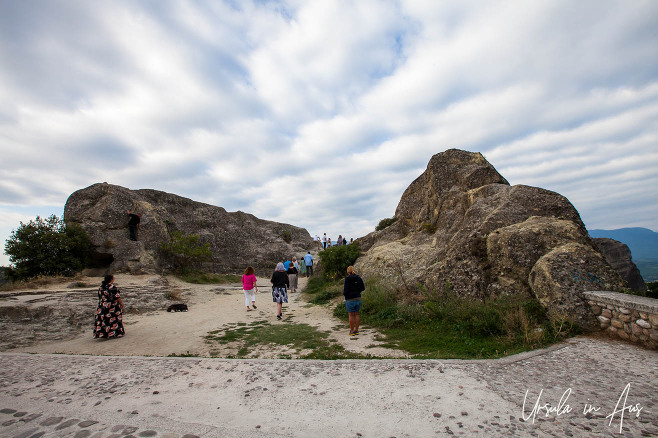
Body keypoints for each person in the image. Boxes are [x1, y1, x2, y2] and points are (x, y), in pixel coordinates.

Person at [94, 274, 125, 339]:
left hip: (102, 306)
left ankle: (103, 334)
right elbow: (117, 296)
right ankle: (116, 333)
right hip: (112, 306)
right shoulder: (112, 287)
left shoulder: (101, 287)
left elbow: (100, 297)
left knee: (104, 320)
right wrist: (121, 303)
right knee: (114, 319)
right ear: (111, 279)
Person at [343, 266, 365, 336]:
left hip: (350, 299)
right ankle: (357, 330)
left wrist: (345, 294)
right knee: (357, 314)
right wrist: (358, 291)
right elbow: (363, 288)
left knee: (351, 315)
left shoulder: (347, 279)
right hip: (357, 298)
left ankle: (352, 331)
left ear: (347, 272)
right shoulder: (358, 278)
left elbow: (346, 290)